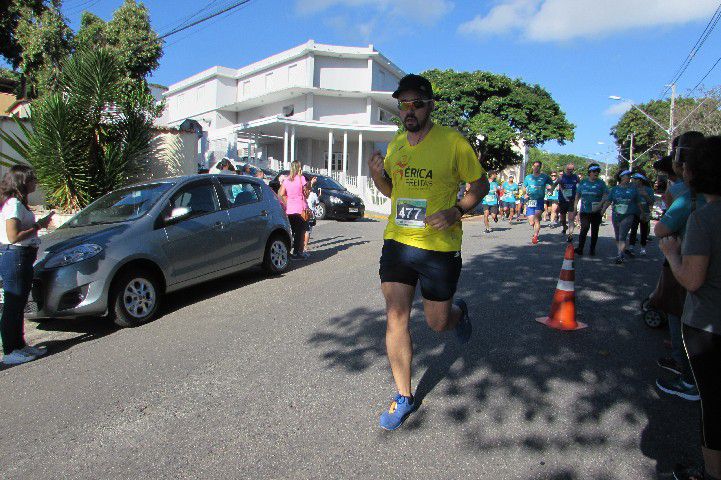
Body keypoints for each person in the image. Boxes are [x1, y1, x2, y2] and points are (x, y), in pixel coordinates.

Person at [368, 74, 487, 431]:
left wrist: (457, 210)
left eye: (417, 103)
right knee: (396, 316)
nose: (409, 110)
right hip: (399, 242)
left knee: (437, 323)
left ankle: (457, 313)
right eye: (403, 104)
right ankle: (404, 395)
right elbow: (394, 190)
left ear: (430, 105)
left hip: (439, 246)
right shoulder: (396, 146)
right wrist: (377, 177)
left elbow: (480, 184)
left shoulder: (452, 141)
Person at [659, 136, 721, 480]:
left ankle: (710, 473)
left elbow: (692, 280)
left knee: (713, 407)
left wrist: (671, 253)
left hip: (709, 326)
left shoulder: (705, 217)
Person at [652, 131, 707, 402]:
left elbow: (662, 228)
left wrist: (672, 256)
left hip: (688, 265)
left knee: (681, 316)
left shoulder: (687, 196)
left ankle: (689, 379)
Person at [0, 166, 53, 365]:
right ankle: (10, 350)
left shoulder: (17, 203)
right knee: (13, 304)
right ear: (22, 182)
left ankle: (20, 345)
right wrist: (38, 226)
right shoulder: (13, 204)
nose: (35, 183)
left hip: (21, 256)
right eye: (32, 180)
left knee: (19, 303)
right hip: (15, 256)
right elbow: (13, 236)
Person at [603, 170, 643, 264]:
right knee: (617, 236)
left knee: (622, 235)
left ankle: (620, 255)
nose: (629, 177)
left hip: (628, 215)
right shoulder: (614, 189)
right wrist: (603, 209)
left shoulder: (633, 189)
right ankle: (619, 252)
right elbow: (609, 201)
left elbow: (638, 202)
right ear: (621, 177)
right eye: (627, 176)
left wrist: (643, 213)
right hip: (616, 215)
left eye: (630, 176)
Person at [278, 161, 311, 259]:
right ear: (299, 168)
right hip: (301, 208)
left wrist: (287, 201)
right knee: (300, 232)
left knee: (292, 231)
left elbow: (282, 193)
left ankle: (290, 252)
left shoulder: (287, 180)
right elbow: (307, 192)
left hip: (290, 209)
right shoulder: (301, 179)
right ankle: (298, 252)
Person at [574, 164, 607, 256]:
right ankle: (580, 248)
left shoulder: (601, 183)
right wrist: (574, 208)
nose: (596, 173)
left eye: (598, 171)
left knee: (595, 230)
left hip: (596, 212)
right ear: (589, 172)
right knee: (584, 229)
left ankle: (592, 249)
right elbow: (577, 195)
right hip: (585, 211)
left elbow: (606, 195)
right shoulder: (583, 182)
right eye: (594, 171)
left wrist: (600, 205)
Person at [523, 161, 554, 244]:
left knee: (536, 218)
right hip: (530, 200)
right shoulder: (528, 177)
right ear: (532, 167)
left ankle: (535, 235)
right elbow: (524, 187)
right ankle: (536, 228)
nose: (536, 168)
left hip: (540, 200)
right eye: (535, 166)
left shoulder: (545, 177)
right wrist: (525, 193)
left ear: (540, 167)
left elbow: (552, 184)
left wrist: (550, 190)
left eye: (538, 166)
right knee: (531, 222)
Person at [629, 173, 654, 256]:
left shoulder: (649, 190)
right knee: (633, 230)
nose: (633, 181)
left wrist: (645, 195)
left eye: (635, 179)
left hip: (645, 213)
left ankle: (643, 248)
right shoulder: (632, 189)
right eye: (633, 179)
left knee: (643, 231)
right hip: (634, 212)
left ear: (640, 180)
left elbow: (651, 202)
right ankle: (631, 247)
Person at [557, 163, 580, 242]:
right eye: (568, 169)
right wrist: (551, 189)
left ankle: (570, 235)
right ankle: (564, 227)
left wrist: (579, 195)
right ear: (566, 169)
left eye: (571, 169)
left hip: (572, 200)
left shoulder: (576, 177)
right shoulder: (561, 177)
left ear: (573, 170)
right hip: (563, 200)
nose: (569, 171)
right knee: (563, 219)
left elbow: (579, 187)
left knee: (571, 218)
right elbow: (557, 185)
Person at [304, 178, 319, 253]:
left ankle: (301, 245)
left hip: (302, 212)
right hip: (310, 213)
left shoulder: (303, 193)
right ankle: (305, 246)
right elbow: (317, 203)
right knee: (308, 231)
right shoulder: (313, 194)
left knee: (302, 230)